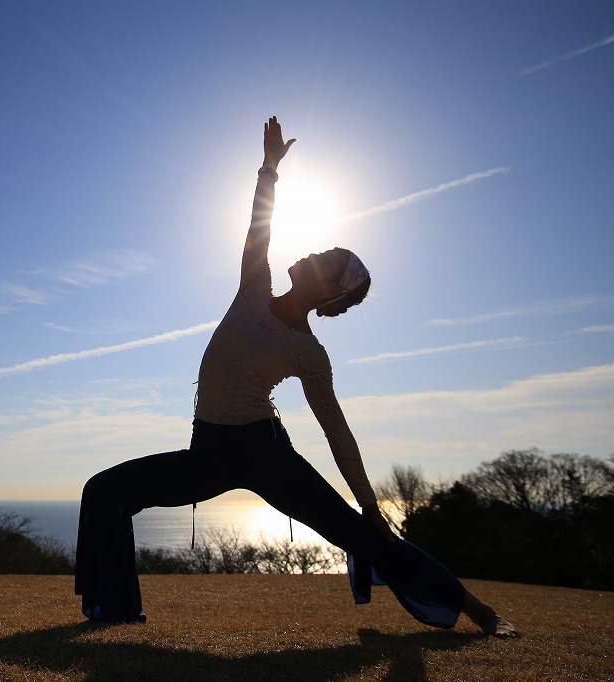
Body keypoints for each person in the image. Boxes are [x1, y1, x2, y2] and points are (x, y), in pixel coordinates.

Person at [73, 116, 518, 638]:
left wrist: (369, 501)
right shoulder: (254, 287)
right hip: (207, 452)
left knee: (365, 537)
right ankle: (114, 611)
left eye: (323, 260)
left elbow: (336, 429)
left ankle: (478, 611)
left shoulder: (308, 352)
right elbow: (259, 227)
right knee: (104, 491)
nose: (310, 254)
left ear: (327, 292)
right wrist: (269, 169)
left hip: (265, 454)